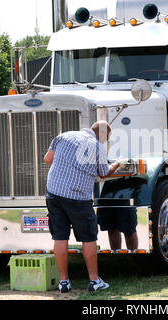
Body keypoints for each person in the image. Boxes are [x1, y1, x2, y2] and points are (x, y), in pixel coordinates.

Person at [44, 120, 126, 293]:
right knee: (88, 237)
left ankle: (64, 282)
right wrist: (118, 163)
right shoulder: (97, 147)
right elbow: (103, 172)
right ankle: (94, 281)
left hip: (54, 192)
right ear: (102, 134)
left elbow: (47, 159)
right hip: (78, 196)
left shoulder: (63, 136)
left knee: (59, 236)